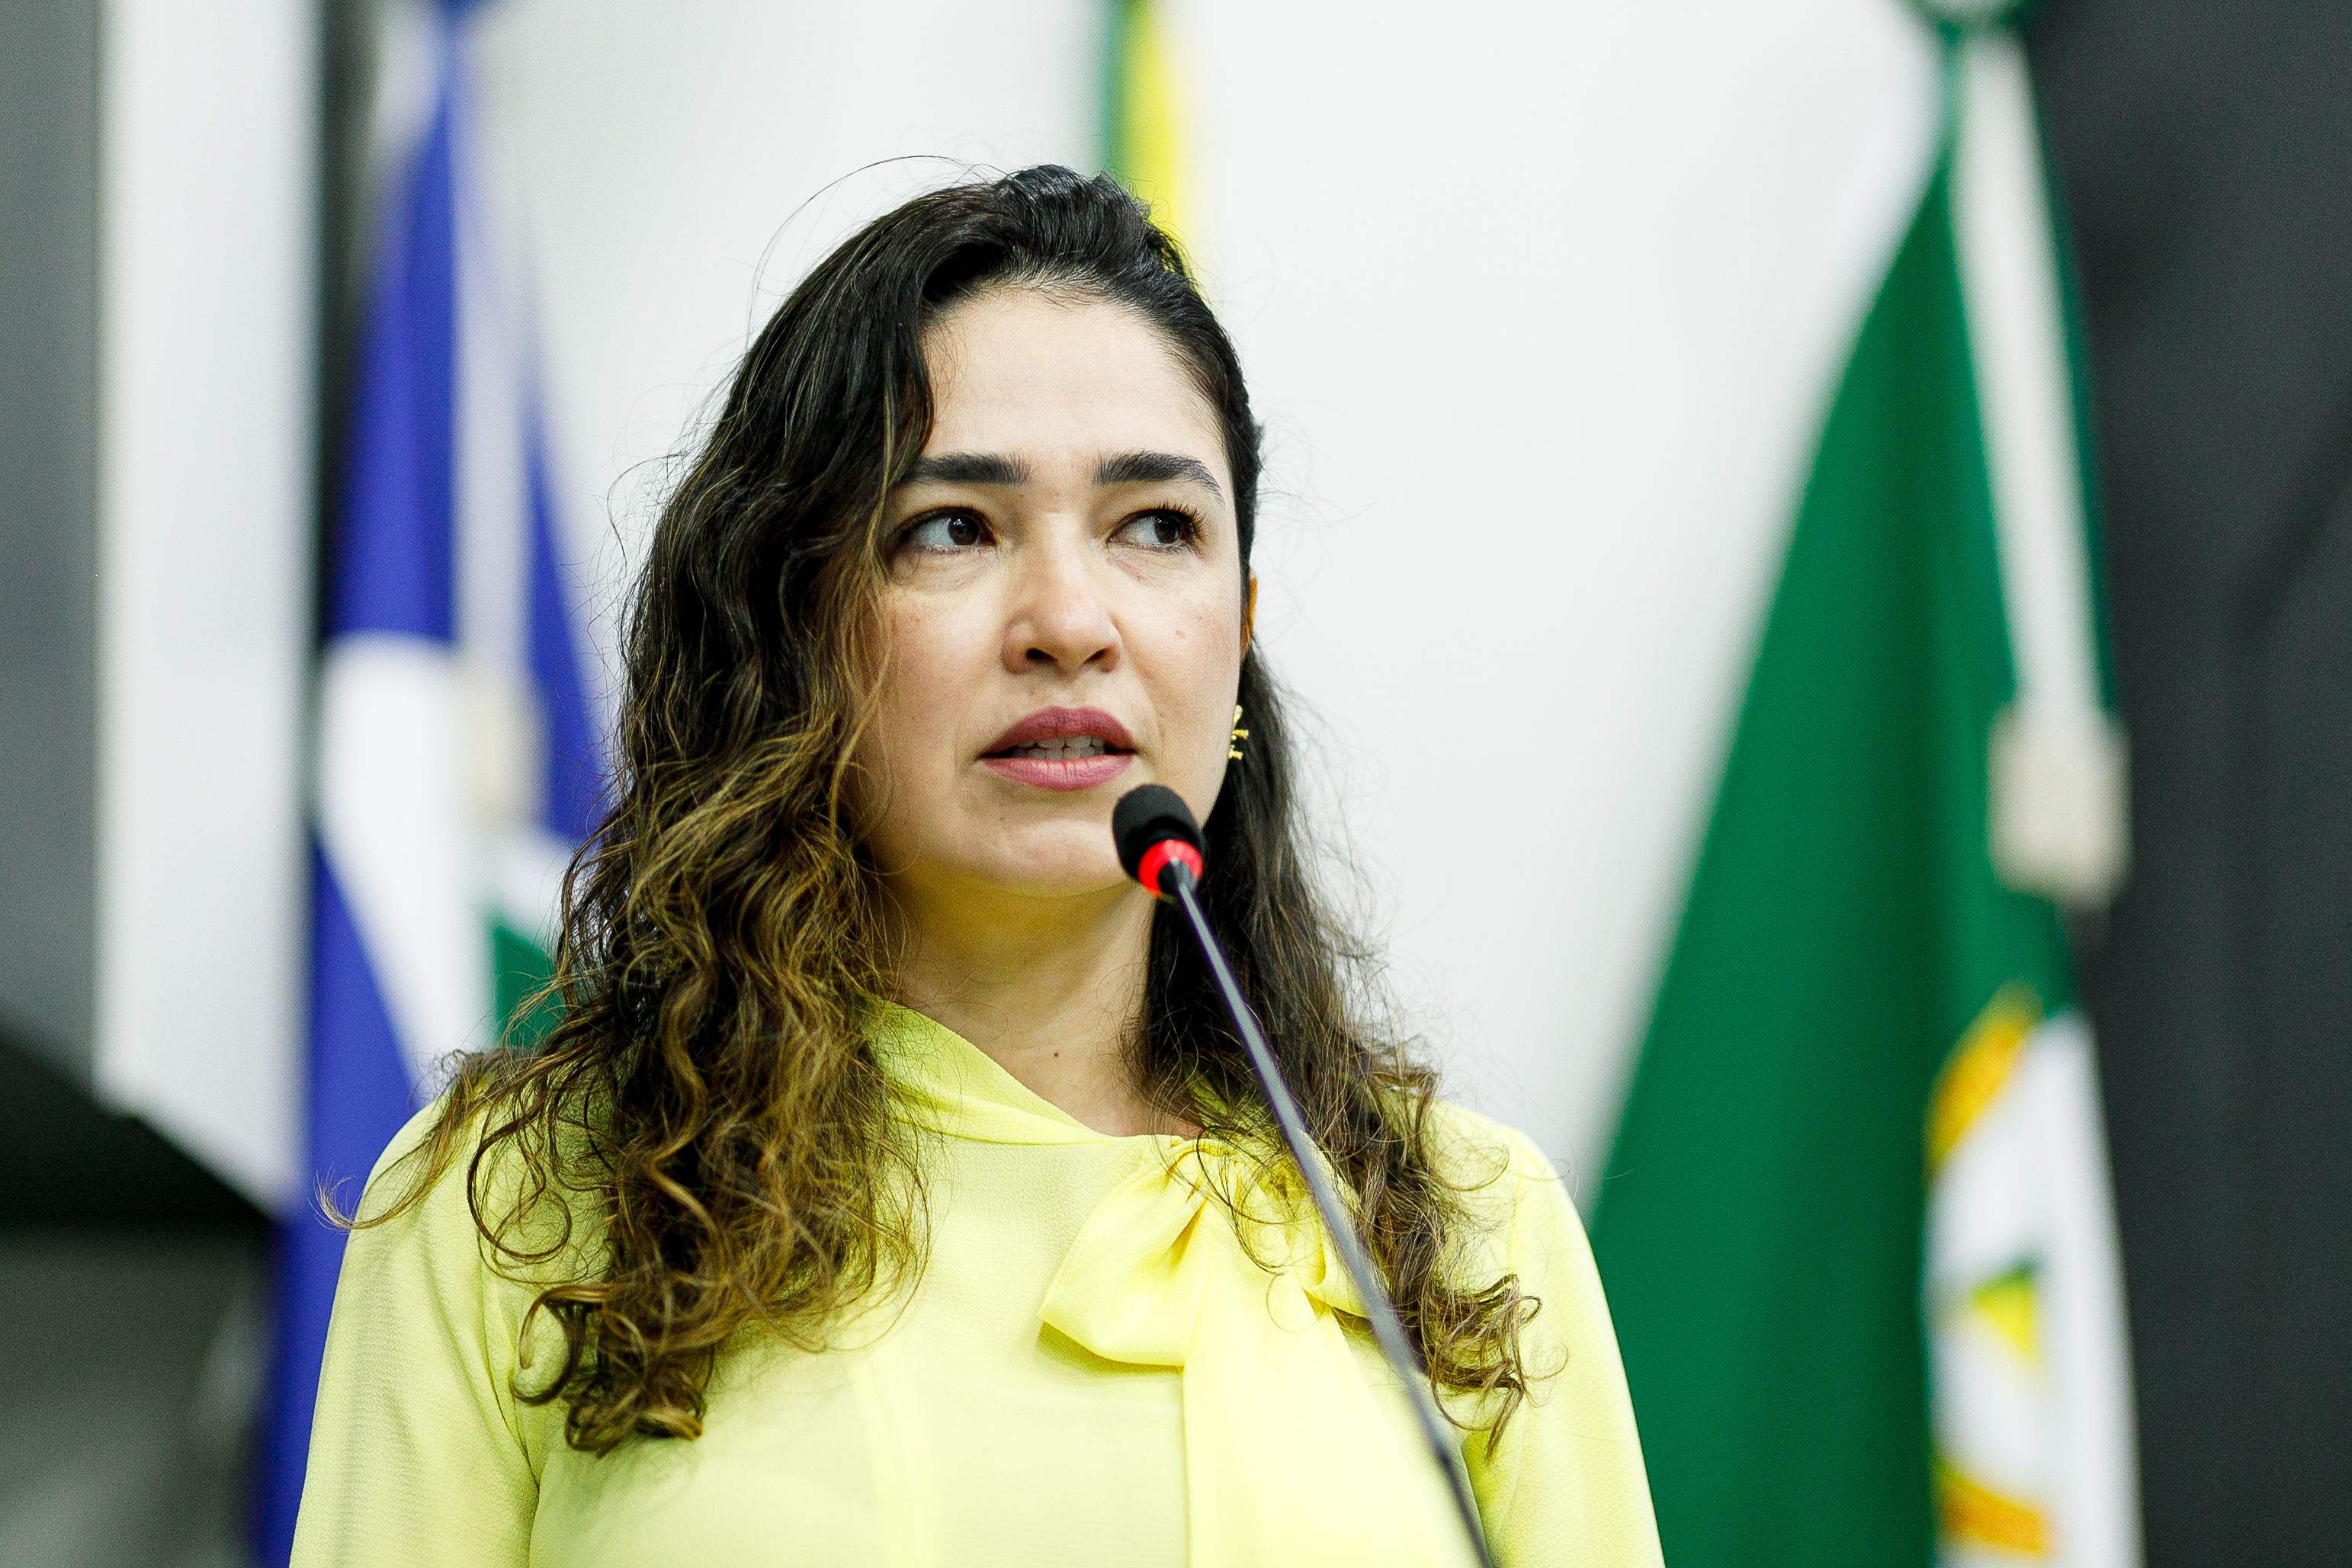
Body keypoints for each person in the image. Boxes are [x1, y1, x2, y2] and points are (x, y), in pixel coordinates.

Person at [291, 165, 1662, 1568]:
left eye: (1156, 526)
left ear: (1239, 629)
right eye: (951, 526)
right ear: (797, 623)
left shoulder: (1459, 1227)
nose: (1069, 620)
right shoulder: (523, 1201)